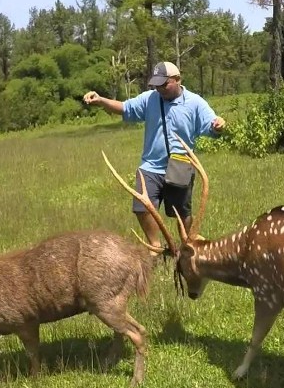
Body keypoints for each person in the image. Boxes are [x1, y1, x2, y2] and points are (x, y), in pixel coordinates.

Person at [83, 61, 225, 253]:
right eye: (157, 85)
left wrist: (218, 125)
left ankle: (186, 245)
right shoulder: (150, 99)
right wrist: (101, 101)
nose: (160, 89)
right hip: (151, 165)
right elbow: (125, 108)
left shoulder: (195, 102)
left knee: (181, 212)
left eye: (164, 84)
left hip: (181, 165)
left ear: (177, 80)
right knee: (141, 207)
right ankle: (156, 247)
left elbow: (211, 124)